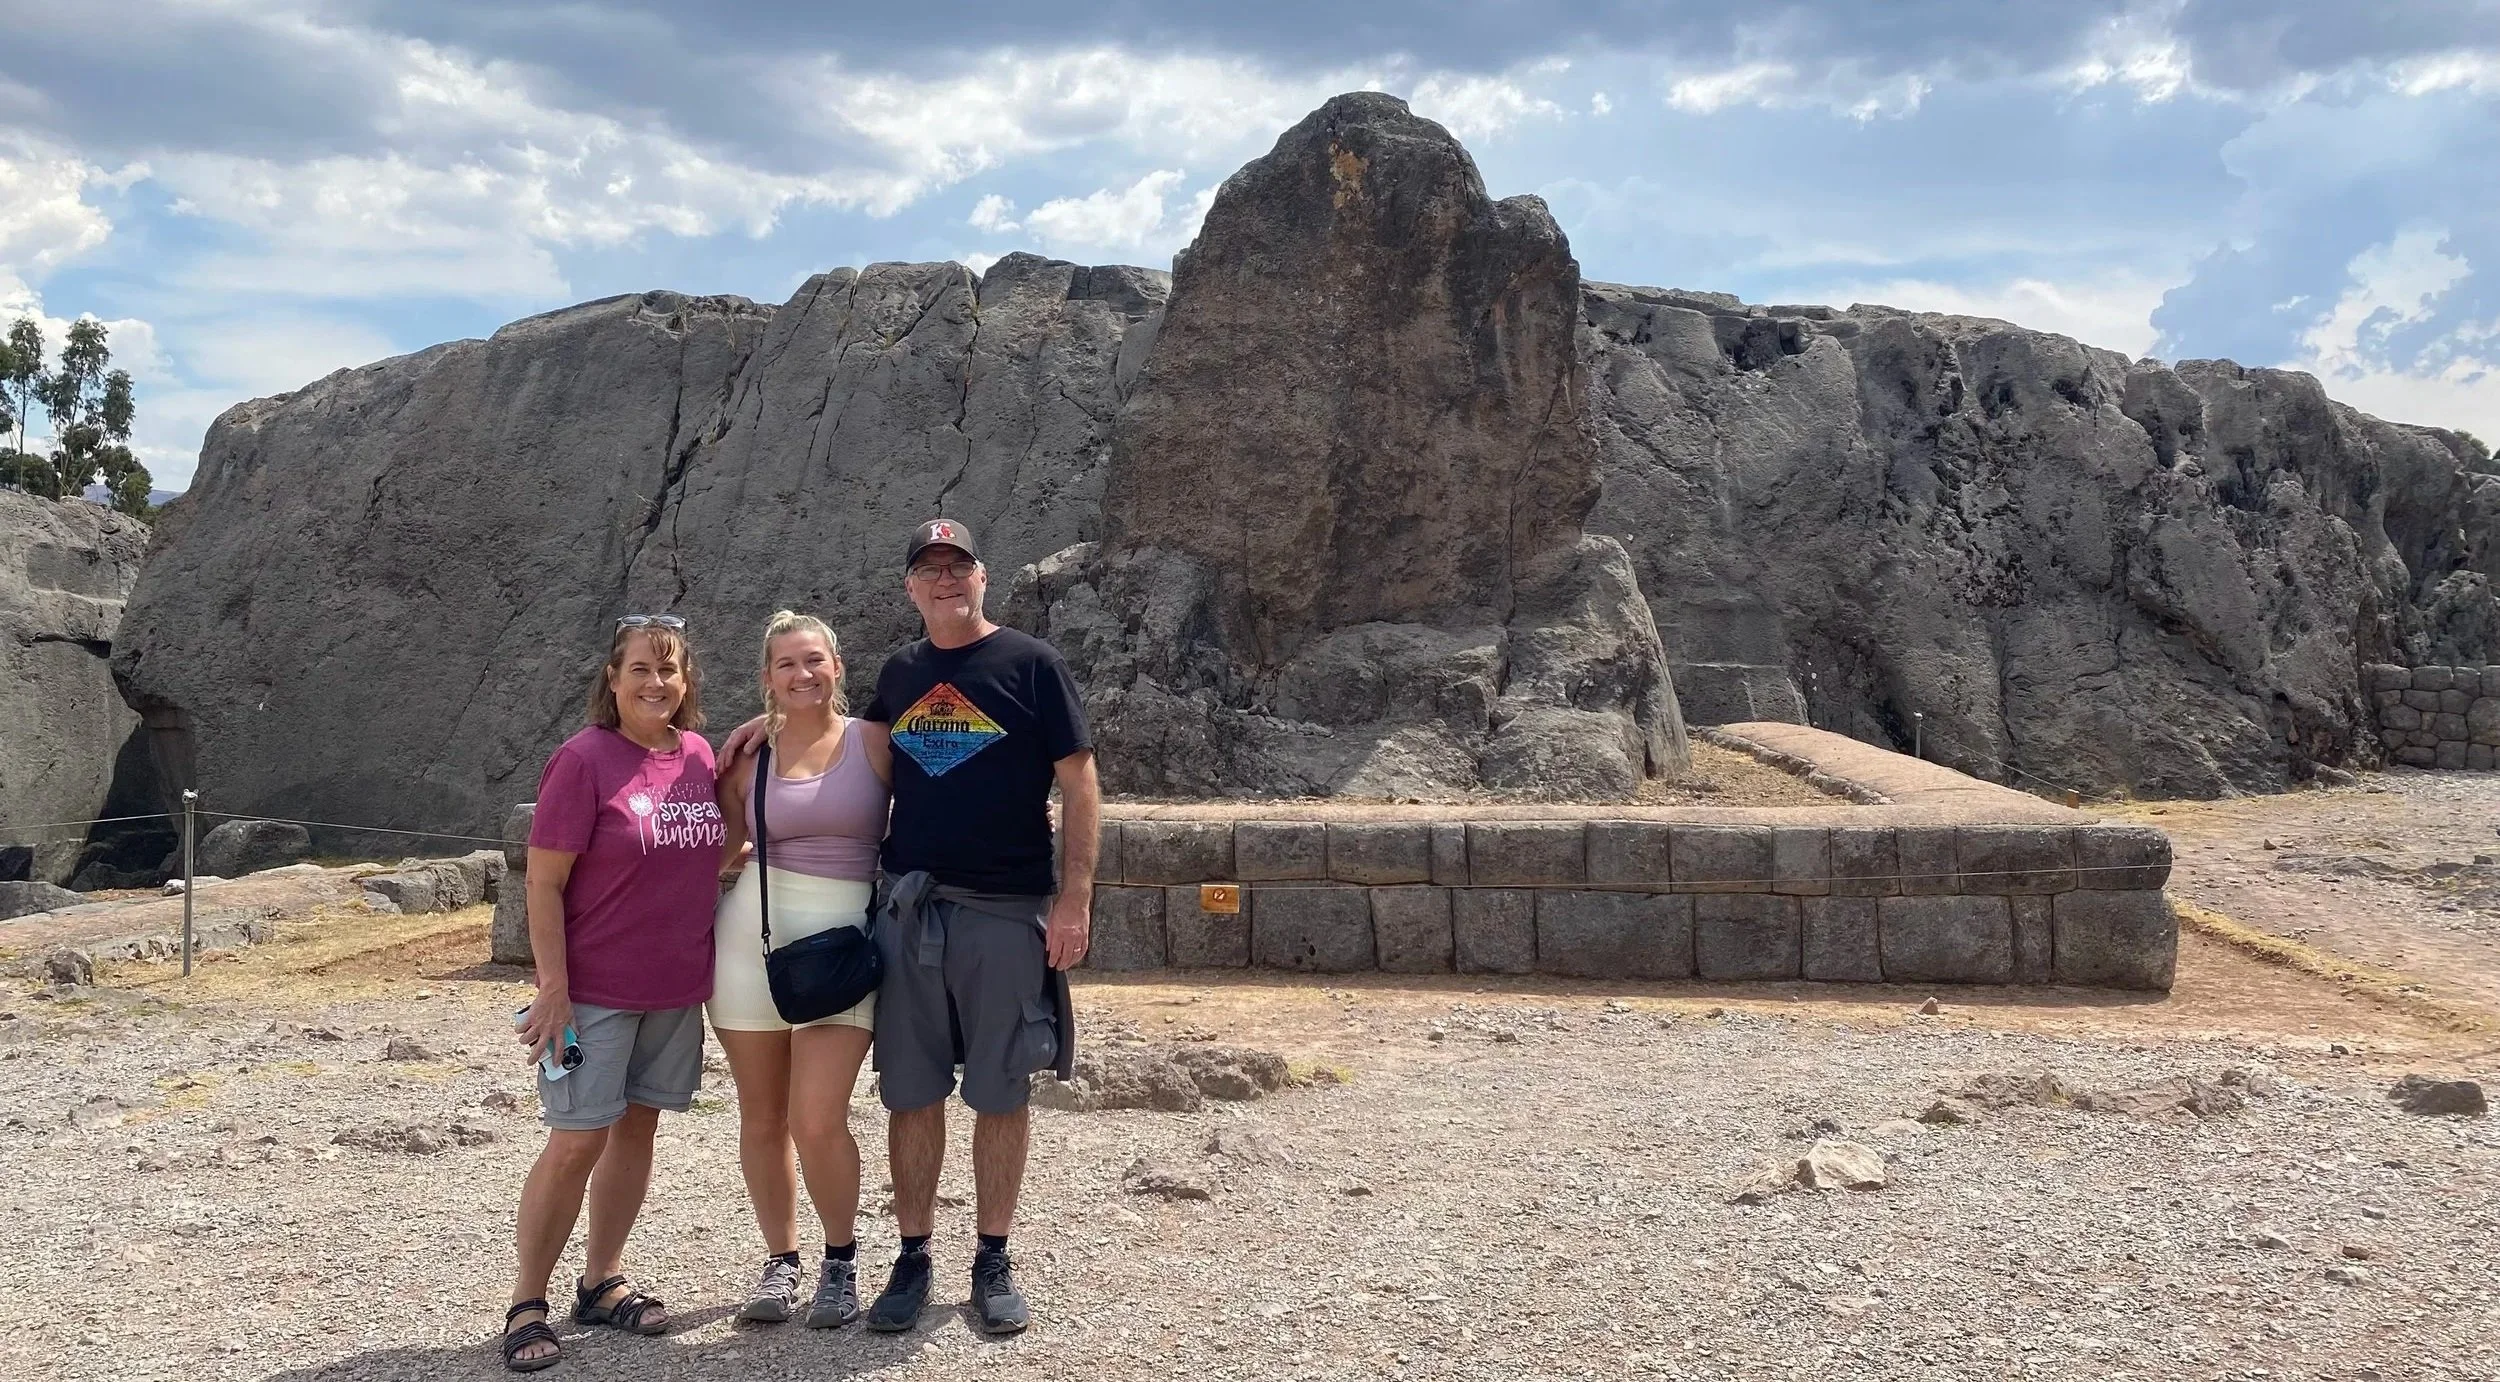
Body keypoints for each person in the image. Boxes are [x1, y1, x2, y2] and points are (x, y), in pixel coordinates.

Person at [723, 517, 1097, 1336]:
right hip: (909, 911)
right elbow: (834, 737)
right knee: (912, 1091)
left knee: (1001, 1089)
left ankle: (992, 1257)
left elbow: (1080, 782)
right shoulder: (902, 674)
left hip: (1005, 908)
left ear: (982, 576)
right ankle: (914, 1255)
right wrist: (764, 725)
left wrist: (1075, 899)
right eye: (930, 570)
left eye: (957, 566)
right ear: (911, 588)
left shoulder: (1033, 665)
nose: (945, 580)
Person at [502, 617, 725, 1372]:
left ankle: (601, 1281)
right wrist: (553, 989)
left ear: (685, 680)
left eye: (668, 671)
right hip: (592, 993)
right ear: (612, 678)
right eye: (640, 670)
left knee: (637, 1131)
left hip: (674, 989)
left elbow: (709, 849)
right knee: (575, 1141)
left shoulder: (697, 755)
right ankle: (526, 1302)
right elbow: (543, 882)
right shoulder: (583, 760)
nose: (655, 683)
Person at [707, 611, 892, 1330]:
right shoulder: (748, 757)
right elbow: (716, 850)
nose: (802, 674)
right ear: (767, 677)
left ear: (837, 666)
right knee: (761, 1118)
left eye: (813, 660)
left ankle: (839, 1260)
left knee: (815, 1119)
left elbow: (938, 804)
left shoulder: (874, 742)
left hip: (842, 954)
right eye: (786, 664)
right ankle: (780, 1259)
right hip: (748, 947)